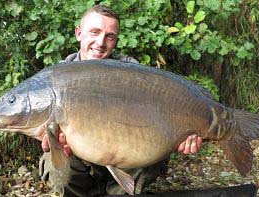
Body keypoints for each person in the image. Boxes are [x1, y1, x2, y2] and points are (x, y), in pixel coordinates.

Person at [38, 5, 203, 196]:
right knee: (57, 166)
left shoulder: (131, 72)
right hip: (79, 156)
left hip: (125, 154)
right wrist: (51, 139)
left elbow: (161, 112)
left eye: (109, 36)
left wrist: (184, 132)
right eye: (94, 32)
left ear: (116, 40)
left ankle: (119, 191)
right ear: (78, 33)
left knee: (151, 158)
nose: (100, 42)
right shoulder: (57, 77)